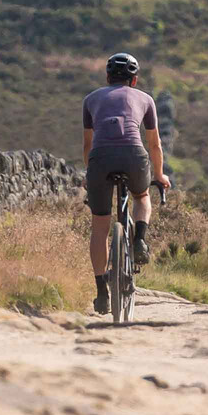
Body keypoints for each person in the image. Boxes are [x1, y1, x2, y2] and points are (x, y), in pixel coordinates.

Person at [82, 52, 171, 314]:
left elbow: (88, 145)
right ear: (134, 80)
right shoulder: (146, 99)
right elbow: (154, 144)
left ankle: (101, 293)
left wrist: (91, 175)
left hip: (100, 159)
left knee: (100, 226)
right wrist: (160, 174)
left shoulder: (90, 99)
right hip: (134, 155)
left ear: (108, 77)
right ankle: (140, 239)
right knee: (142, 197)